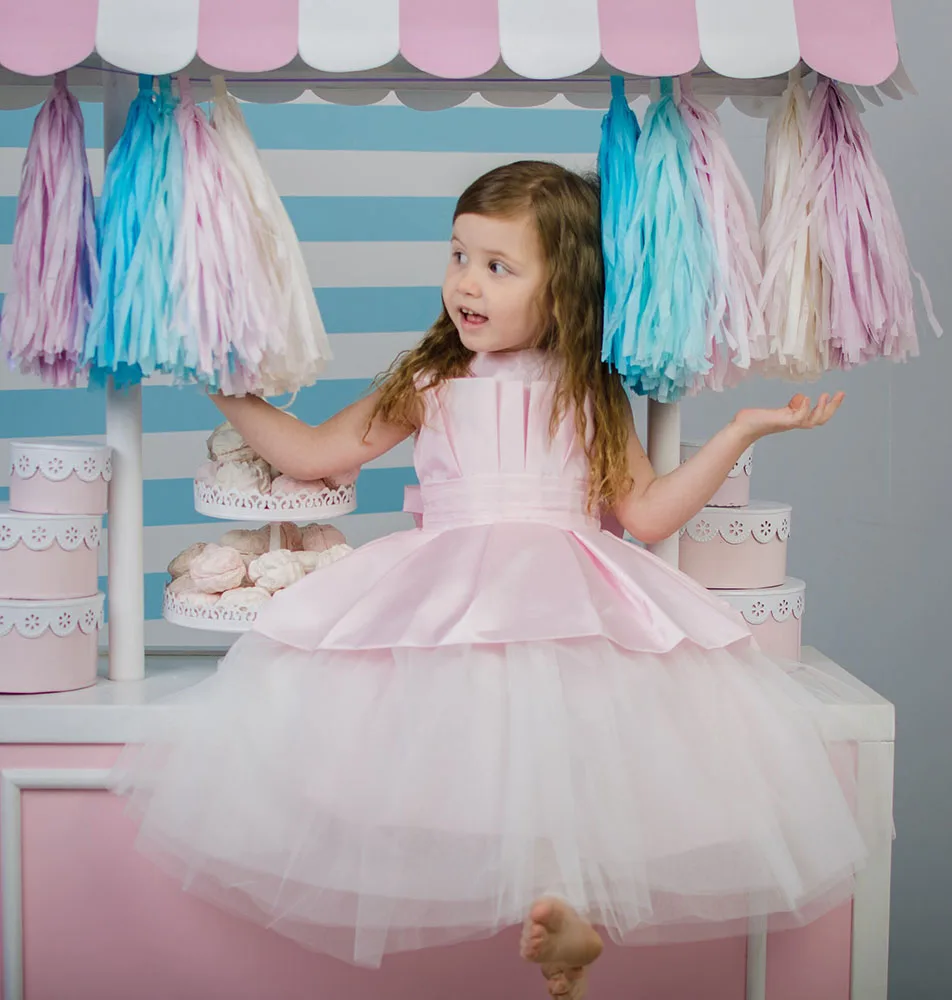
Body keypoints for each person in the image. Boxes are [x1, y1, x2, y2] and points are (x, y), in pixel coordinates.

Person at [114, 161, 863, 1000]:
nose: (466, 284)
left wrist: (741, 431)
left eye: (498, 268)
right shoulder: (429, 383)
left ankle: (565, 909)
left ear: (564, 289)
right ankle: (545, 906)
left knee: (563, 752)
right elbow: (311, 454)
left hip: (568, 592)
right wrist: (221, 384)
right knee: (462, 759)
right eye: (459, 256)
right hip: (446, 593)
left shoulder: (589, 393)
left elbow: (647, 515)